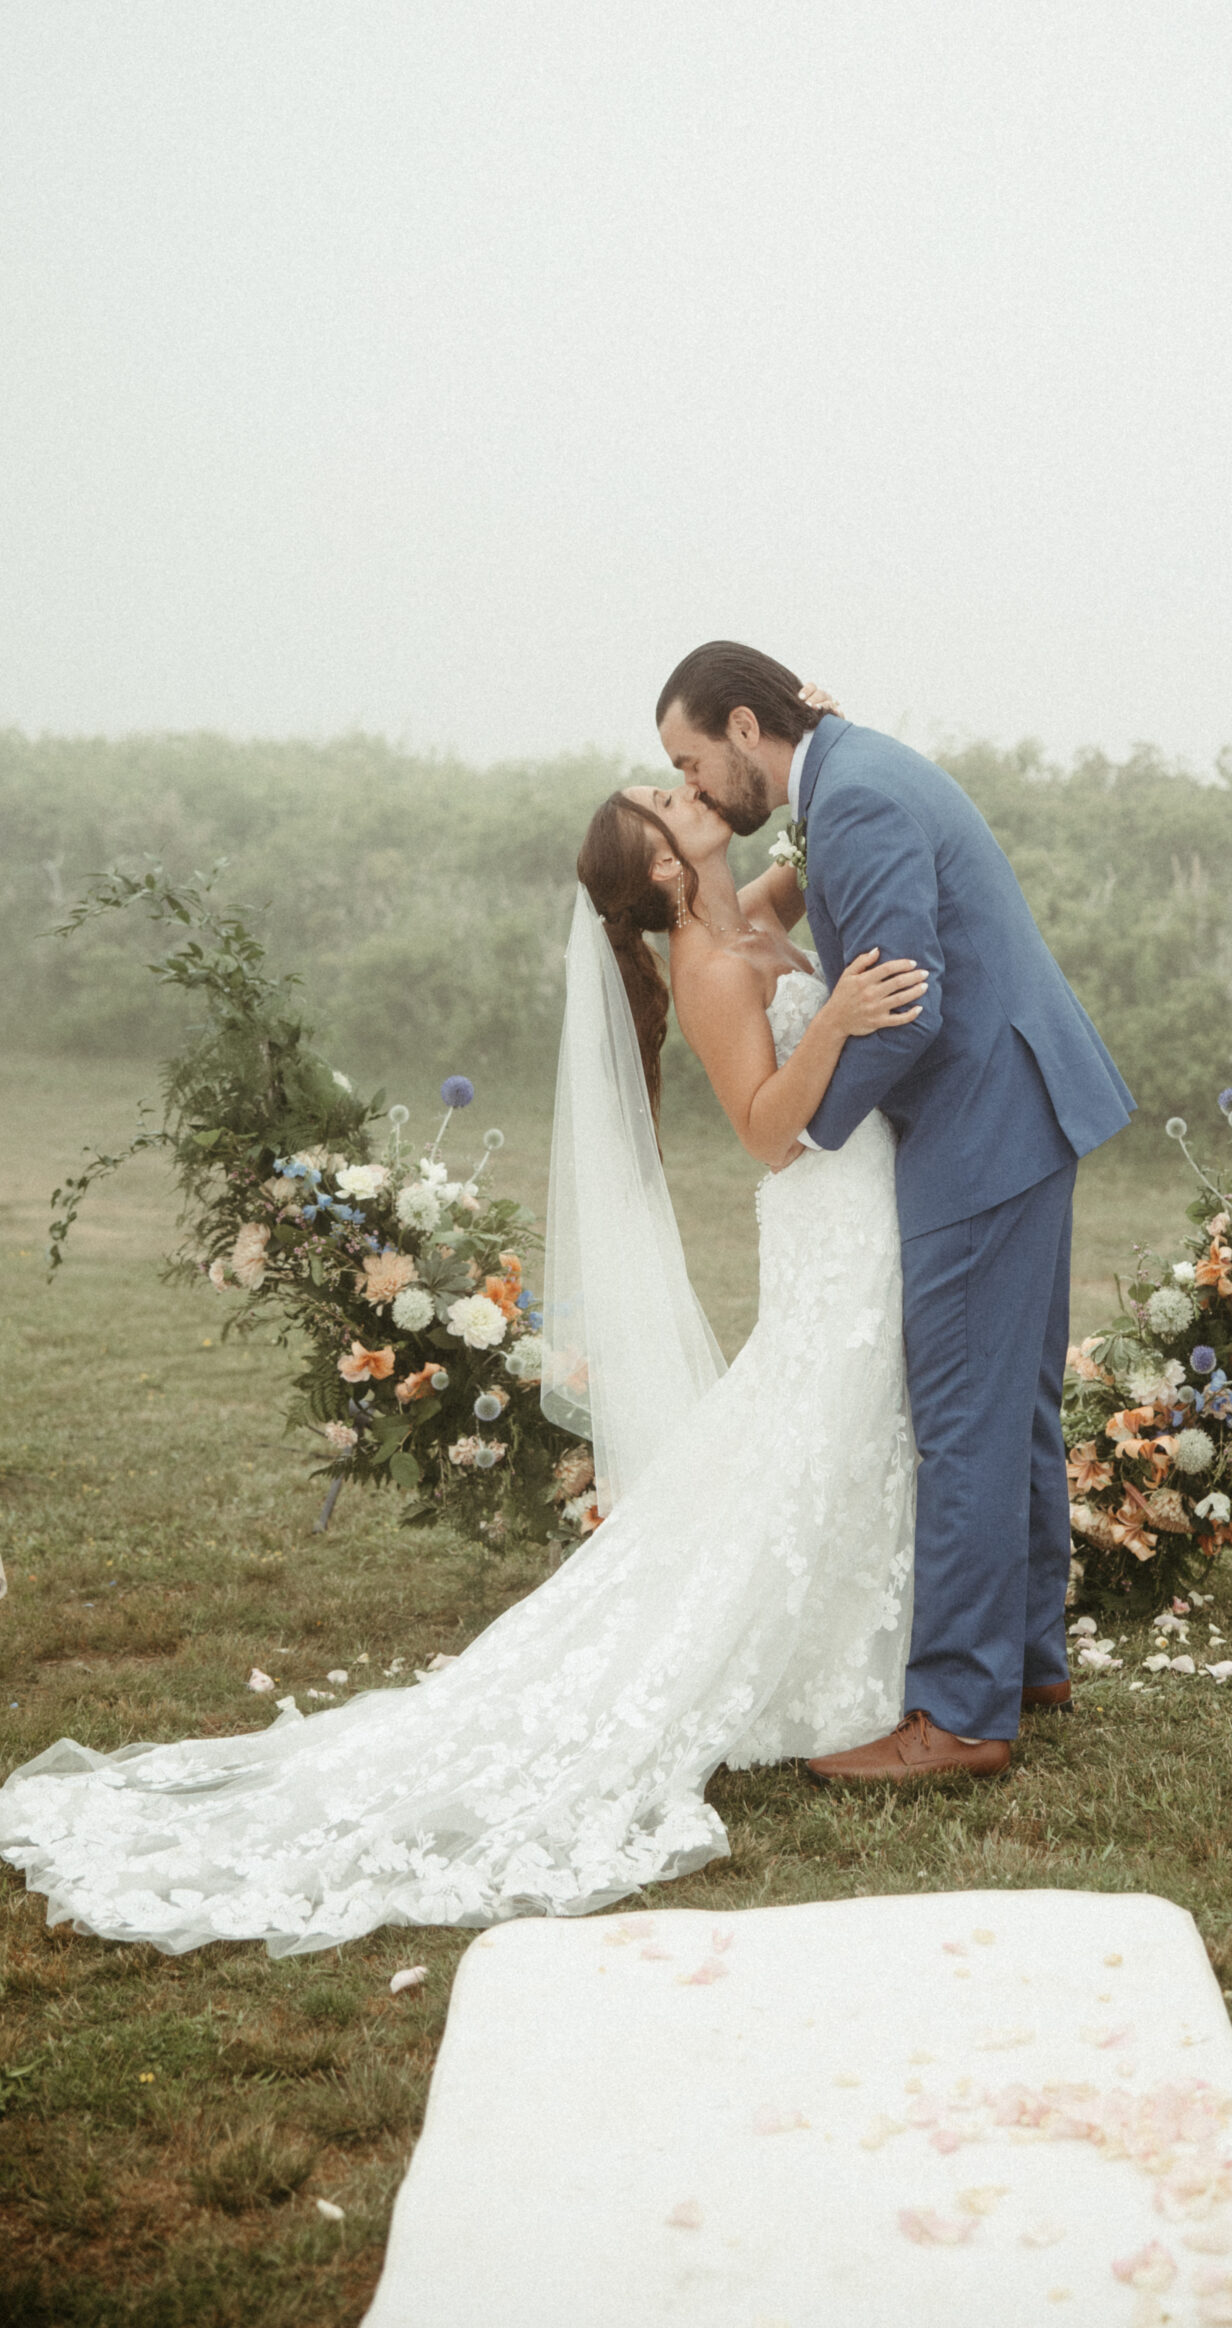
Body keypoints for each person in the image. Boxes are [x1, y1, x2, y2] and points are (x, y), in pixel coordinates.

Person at [0, 717, 929, 1954]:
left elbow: (825, 823)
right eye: (667, 793)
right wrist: (838, 1016)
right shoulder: (709, 961)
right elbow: (763, 1129)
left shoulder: (751, 905)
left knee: (834, 1420)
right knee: (816, 1417)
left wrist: (828, 741)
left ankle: (872, 1643)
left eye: (681, 772)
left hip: (867, 1201)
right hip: (821, 1205)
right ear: (660, 868)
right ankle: (829, 1666)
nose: (687, 784)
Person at [655, 643, 1134, 1781]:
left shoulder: (854, 797)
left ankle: (964, 1714)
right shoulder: (854, 772)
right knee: (1012, 1404)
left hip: (978, 1124)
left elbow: (907, 1015)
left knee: (965, 1417)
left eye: (688, 760)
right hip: (1022, 1104)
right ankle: (1026, 1655)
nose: (694, 785)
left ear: (739, 725)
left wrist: (815, 1135)